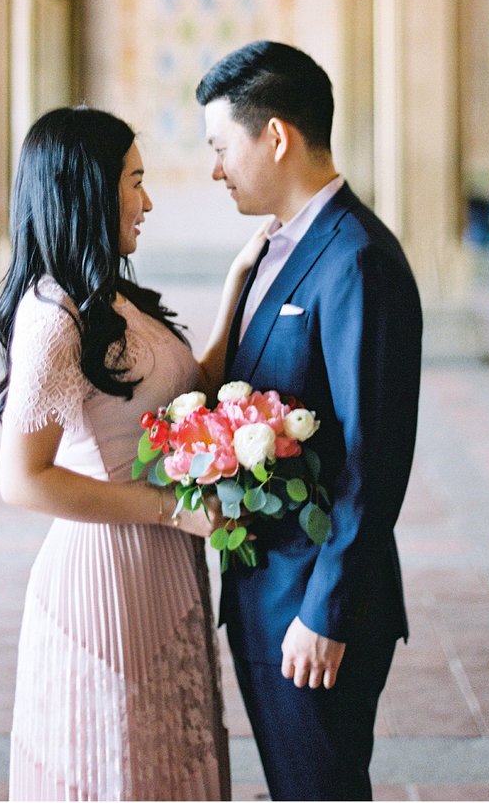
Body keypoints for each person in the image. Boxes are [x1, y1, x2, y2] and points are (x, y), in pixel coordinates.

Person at [0, 107, 257, 802]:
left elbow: (192, 389)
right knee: (119, 768)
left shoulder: (114, 297)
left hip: (163, 564)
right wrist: (169, 510)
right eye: (134, 182)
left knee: (167, 763)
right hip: (103, 574)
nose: (147, 201)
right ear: (88, 189)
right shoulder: (54, 318)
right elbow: (21, 481)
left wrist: (237, 289)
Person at [195, 41, 423, 802]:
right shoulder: (275, 249)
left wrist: (324, 612)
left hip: (318, 609)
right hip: (270, 592)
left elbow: (372, 456)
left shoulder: (357, 259)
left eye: (221, 147)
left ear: (277, 137)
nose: (215, 168)